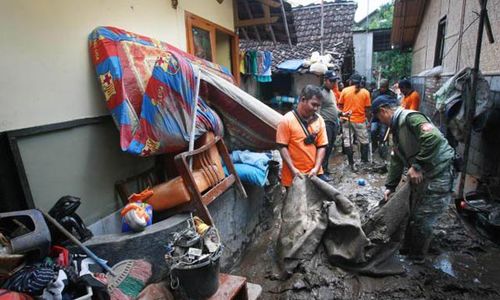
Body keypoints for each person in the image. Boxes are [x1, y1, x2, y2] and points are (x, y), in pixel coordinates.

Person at [371, 96, 454, 263]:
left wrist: (417, 166)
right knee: (412, 213)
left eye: (378, 118)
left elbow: (433, 138)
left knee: (423, 217)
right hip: (425, 172)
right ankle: (408, 248)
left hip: (438, 172)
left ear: (383, 111)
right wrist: (390, 186)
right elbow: (396, 159)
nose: (380, 122)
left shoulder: (411, 118)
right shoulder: (396, 128)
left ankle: (417, 259)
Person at [276, 85, 328, 188]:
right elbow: (282, 147)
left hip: (315, 174)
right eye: (313, 104)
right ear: (303, 99)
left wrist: (316, 168)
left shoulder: (319, 120)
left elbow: (322, 146)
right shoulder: (286, 121)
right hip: (293, 177)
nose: (316, 109)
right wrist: (293, 169)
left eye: (318, 106)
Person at [338, 74, 371, 170]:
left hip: (346, 120)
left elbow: (340, 105)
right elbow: (368, 109)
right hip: (360, 120)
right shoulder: (365, 92)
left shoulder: (345, 90)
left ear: (351, 81)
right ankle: (364, 161)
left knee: (348, 141)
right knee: (364, 140)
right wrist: (368, 120)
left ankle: (351, 163)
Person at [319, 71, 341, 180]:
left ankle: (325, 169)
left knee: (330, 147)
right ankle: (321, 172)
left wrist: (341, 113)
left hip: (333, 123)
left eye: (335, 81)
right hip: (325, 124)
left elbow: (333, 107)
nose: (334, 83)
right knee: (324, 148)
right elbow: (317, 110)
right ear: (325, 80)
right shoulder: (321, 93)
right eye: (331, 81)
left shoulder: (331, 92)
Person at [370, 79, 397, 157]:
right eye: (381, 87)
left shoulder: (391, 94)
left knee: (383, 133)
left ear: (387, 87)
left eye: (384, 87)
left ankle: (382, 148)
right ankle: (374, 145)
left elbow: (393, 106)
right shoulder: (375, 93)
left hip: (385, 118)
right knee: (373, 131)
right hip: (376, 117)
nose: (382, 89)